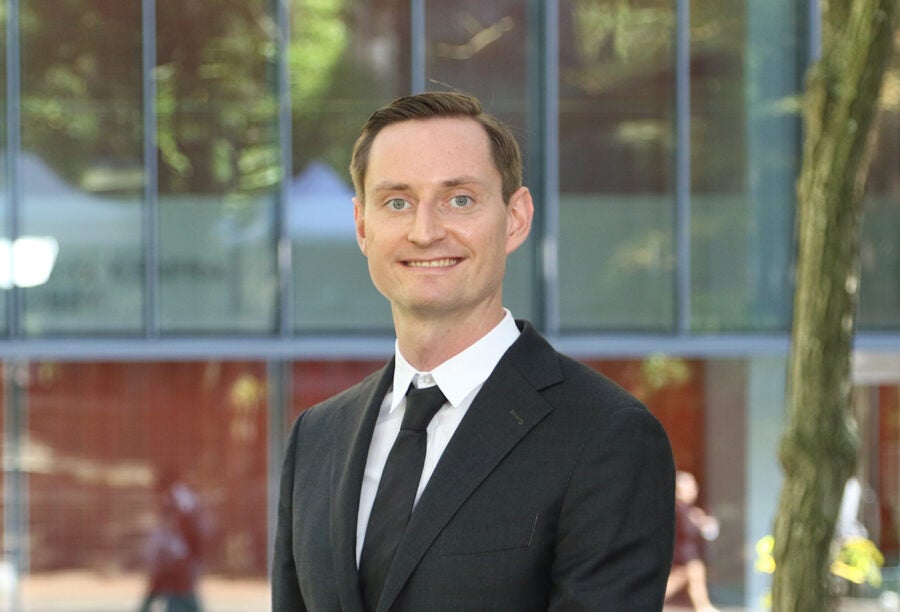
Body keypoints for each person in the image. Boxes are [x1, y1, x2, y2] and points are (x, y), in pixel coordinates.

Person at [272, 91, 675, 611]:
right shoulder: (316, 438)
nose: (425, 231)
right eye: (397, 202)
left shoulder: (607, 436)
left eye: (459, 199)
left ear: (515, 218)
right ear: (362, 226)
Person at [139, 470, 207, 612]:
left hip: (180, 550)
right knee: (167, 584)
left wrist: (184, 549)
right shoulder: (177, 496)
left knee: (178, 585)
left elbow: (186, 521)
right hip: (177, 549)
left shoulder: (179, 496)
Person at [665, 471, 719, 612]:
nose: (693, 491)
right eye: (688, 487)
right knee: (692, 575)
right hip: (683, 554)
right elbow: (687, 530)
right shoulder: (678, 508)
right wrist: (698, 522)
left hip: (687, 555)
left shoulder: (687, 509)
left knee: (688, 579)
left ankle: (704, 607)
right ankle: (704, 607)